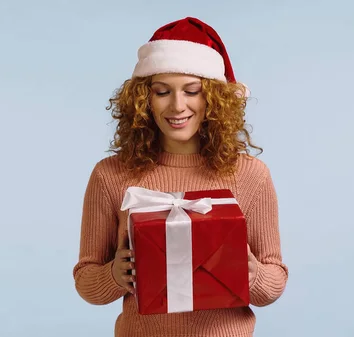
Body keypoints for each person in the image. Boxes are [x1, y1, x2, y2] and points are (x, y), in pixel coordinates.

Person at [73, 17, 288, 337]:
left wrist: (253, 273)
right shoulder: (111, 176)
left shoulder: (251, 176)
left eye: (192, 91)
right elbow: (86, 280)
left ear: (214, 99)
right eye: (162, 92)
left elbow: (275, 280)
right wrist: (115, 276)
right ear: (143, 99)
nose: (177, 106)